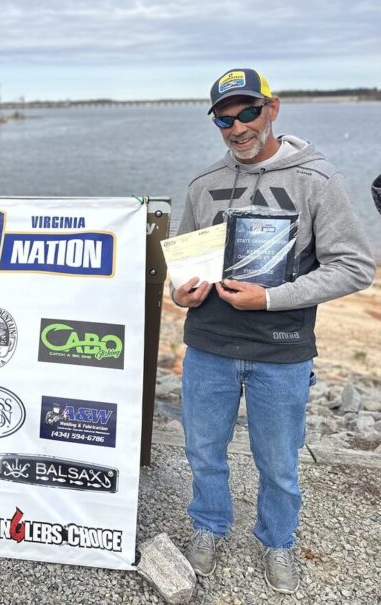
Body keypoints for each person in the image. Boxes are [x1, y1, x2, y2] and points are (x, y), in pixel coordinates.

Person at [172, 69, 374, 594]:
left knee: (280, 463)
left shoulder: (319, 180)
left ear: (272, 109)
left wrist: (271, 298)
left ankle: (277, 541)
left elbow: (354, 266)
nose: (237, 127)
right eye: (224, 117)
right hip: (209, 346)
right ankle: (209, 526)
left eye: (247, 112)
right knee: (202, 451)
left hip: (282, 351)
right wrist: (179, 293)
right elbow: (182, 267)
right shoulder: (202, 186)